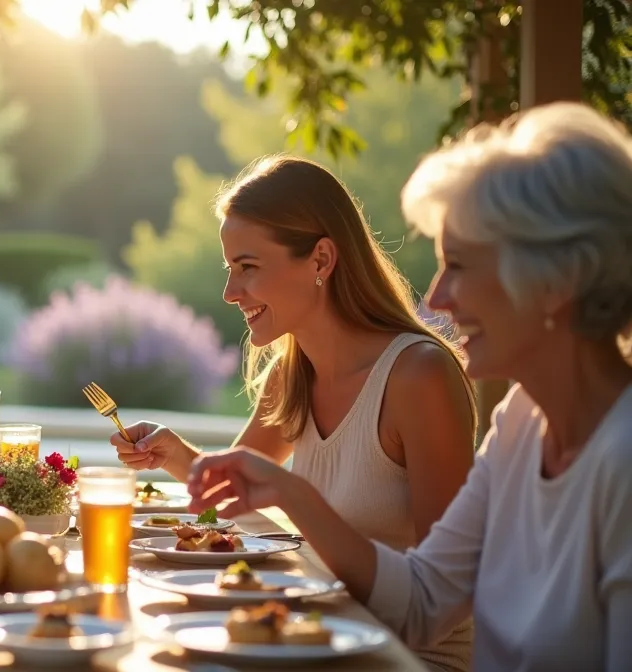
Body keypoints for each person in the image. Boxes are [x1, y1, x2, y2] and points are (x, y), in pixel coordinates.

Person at [185, 102, 632, 672]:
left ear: (558, 280)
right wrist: (289, 493)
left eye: (462, 266)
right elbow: (425, 600)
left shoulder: (622, 459)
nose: (439, 298)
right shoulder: (523, 420)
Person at [111, 155, 477, 669]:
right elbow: (233, 488)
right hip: (313, 640)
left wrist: (295, 498)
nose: (230, 291)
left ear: (322, 260)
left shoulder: (418, 376)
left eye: (248, 267)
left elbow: (445, 598)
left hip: (409, 657)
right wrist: (172, 454)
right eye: (230, 268)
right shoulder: (292, 373)